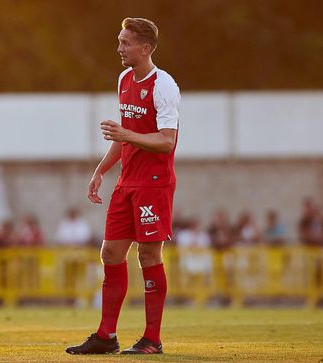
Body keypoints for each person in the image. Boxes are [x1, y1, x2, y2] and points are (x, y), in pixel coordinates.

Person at [66, 18, 180, 355]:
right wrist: (101, 169)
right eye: (119, 41)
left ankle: (152, 340)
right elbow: (125, 136)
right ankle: (106, 336)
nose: (119, 49)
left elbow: (166, 142)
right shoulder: (124, 79)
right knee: (111, 252)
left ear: (145, 48)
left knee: (148, 254)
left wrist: (125, 135)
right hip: (127, 181)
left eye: (125, 43)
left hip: (154, 184)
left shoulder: (164, 85)